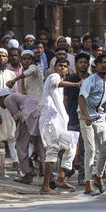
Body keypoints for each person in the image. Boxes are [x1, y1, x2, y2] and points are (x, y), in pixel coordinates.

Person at [78, 54, 106, 195]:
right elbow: (82, 98)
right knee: (90, 150)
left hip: (100, 116)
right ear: (95, 66)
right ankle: (88, 183)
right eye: (100, 63)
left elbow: (104, 97)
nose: (103, 65)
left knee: (105, 149)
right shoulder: (90, 80)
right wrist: (86, 116)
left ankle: (98, 177)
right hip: (86, 117)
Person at [39, 59, 83, 194]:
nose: (62, 68)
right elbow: (57, 83)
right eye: (60, 66)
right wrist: (76, 84)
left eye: (65, 66)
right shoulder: (54, 76)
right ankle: (45, 187)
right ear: (55, 68)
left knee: (71, 145)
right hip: (49, 121)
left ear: (68, 70)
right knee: (52, 150)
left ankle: (61, 178)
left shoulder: (61, 87)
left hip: (59, 122)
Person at [0, 88, 44, 187]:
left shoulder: (8, 99)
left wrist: (18, 134)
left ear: (2, 97)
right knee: (40, 146)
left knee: (20, 146)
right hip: (39, 114)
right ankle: (49, 176)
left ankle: (27, 174)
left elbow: (16, 117)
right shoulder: (20, 97)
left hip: (27, 115)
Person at [63, 51, 91, 185]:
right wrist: (64, 116)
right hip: (72, 117)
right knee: (68, 147)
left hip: (87, 118)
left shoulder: (92, 79)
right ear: (76, 64)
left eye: (85, 62)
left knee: (85, 149)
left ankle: (83, 175)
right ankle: (66, 171)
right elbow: (66, 99)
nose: (83, 64)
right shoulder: (70, 79)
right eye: (81, 62)